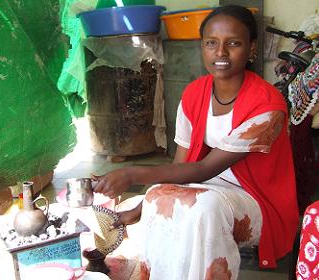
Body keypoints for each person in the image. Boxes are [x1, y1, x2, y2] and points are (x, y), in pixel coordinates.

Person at [91, 5, 299, 280]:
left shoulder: (267, 105)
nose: (221, 53)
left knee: (203, 208)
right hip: (207, 187)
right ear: (202, 47)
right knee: (157, 196)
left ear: (251, 49)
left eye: (233, 43)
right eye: (211, 43)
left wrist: (132, 174)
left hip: (257, 200)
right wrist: (141, 208)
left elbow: (203, 170)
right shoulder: (194, 94)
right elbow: (181, 165)